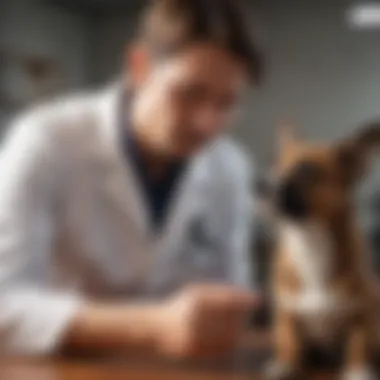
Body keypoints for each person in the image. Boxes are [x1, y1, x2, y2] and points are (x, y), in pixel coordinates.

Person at [0, 0, 263, 357]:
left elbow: (231, 300)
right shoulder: (45, 141)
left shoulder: (230, 167)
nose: (208, 124)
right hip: (58, 363)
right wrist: (153, 326)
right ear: (139, 65)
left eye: (227, 103)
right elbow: (5, 304)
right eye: (189, 93)